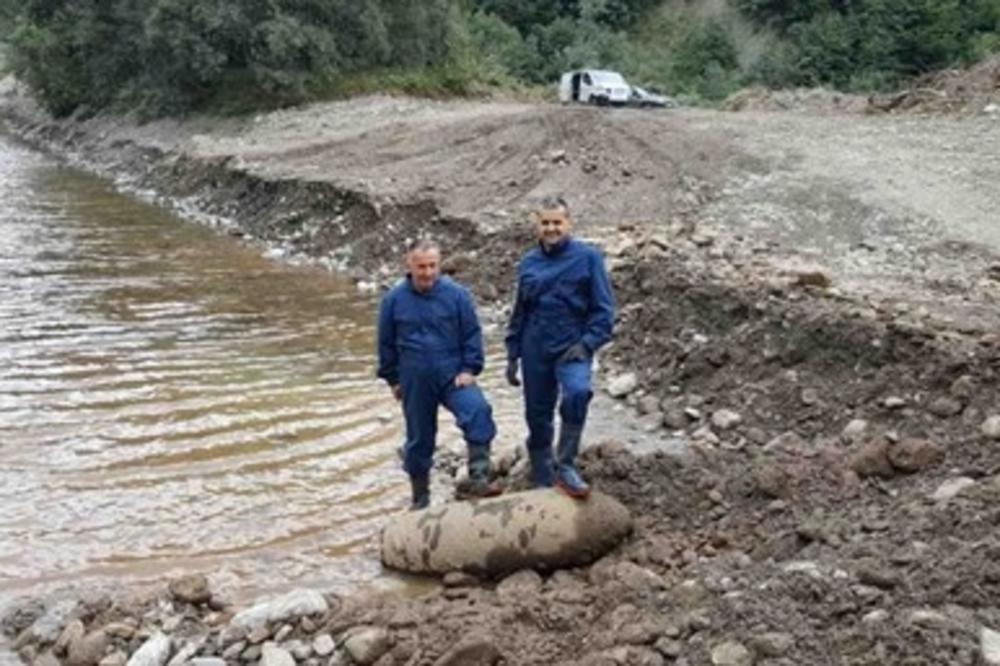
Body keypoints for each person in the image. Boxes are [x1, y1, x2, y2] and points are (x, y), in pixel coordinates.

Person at [377, 239, 501, 510]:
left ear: (440, 264)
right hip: (414, 377)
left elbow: (471, 334)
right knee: (419, 439)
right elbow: (385, 344)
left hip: (452, 373)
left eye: (433, 266)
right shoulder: (393, 300)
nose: (428, 273)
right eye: (421, 267)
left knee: (478, 411)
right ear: (409, 265)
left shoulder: (457, 295)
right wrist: (393, 379)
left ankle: (479, 479)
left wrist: (470, 368)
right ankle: (420, 499)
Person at [505, 196, 616, 498]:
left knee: (578, 393)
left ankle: (565, 464)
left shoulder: (589, 258)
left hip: (572, 346)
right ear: (536, 225)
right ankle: (542, 475)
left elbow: (605, 310)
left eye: (557, 222)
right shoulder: (528, 263)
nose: (551, 228)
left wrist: (588, 343)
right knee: (537, 415)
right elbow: (520, 311)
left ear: (568, 224)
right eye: (545, 222)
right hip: (534, 347)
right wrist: (512, 354)